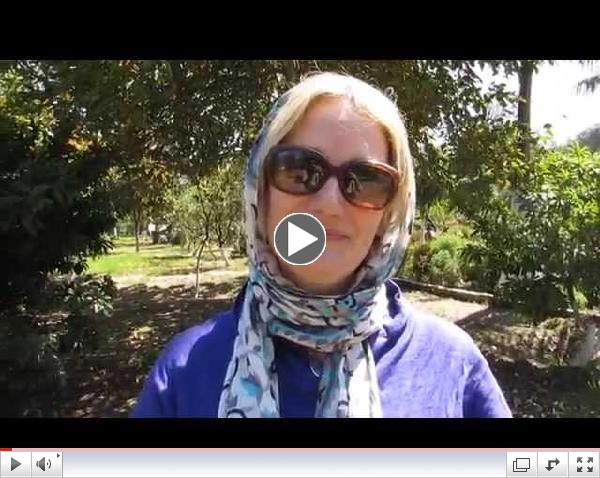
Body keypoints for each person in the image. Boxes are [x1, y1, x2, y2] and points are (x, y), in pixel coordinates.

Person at [130, 72, 512, 418]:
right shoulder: (185, 372)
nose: (330, 203)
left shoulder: (451, 364)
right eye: (299, 170)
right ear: (259, 194)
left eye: (365, 180)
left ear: (390, 212)